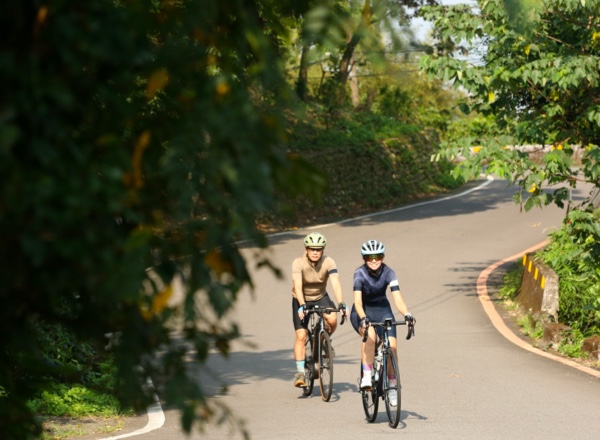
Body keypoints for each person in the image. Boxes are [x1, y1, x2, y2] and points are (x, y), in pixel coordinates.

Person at [350, 239, 414, 406]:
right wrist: (363, 318)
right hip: (362, 310)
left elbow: (397, 299)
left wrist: (406, 314)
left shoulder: (390, 273)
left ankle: (392, 385)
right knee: (370, 335)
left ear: (382, 257)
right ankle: (366, 375)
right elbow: (357, 302)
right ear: (364, 258)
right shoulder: (359, 274)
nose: (374, 260)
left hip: (382, 309)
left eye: (377, 256)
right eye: (370, 257)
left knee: (392, 347)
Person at [291, 232, 347, 388]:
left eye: (319, 249)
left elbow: (335, 283)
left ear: (323, 250)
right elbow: (297, 285)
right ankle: (300, 373)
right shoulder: (298, 262)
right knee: (301, 335)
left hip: (320, 296)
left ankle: (323, 339)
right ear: (306, 249)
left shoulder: (328, 262)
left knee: (332, 318)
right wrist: (302, 304)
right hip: (301, 298)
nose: (315, 252)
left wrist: (341, 303)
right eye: (312, 249)